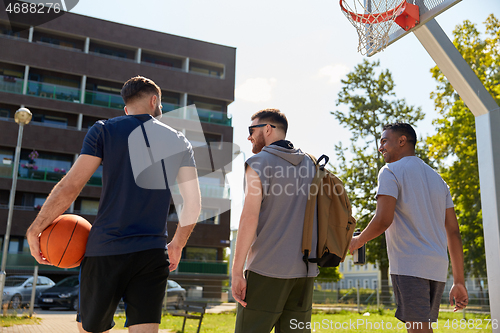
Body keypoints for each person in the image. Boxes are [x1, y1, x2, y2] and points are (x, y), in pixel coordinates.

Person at [26, 76, 201, 333]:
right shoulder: (179, 140)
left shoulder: (104, 130)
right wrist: (177, 245)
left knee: (90, 329)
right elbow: (194, 202)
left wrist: (35, 228)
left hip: (105, 249)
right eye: (160, 104)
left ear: (126, 108)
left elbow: (70, 187)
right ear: (154, 101)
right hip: (151, 252)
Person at [348, 122, 468, 333]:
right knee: (422, 328)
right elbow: (453, 232)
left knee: (418, 330)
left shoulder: (390, 171)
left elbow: (383, 219)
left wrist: (358, 240)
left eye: (384, 141)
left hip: (410, 265)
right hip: (437, 267)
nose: (380, 147)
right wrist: (458, 280)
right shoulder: (439, 180)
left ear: (402, 141)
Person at [231, 109, 318, 333]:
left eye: (252, 130)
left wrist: (237, 272)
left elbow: (249, 217)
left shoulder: (258, 163)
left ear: (268, 129)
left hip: (266, 270)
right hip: (305, 272)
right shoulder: (313, 164)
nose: (249, 136)